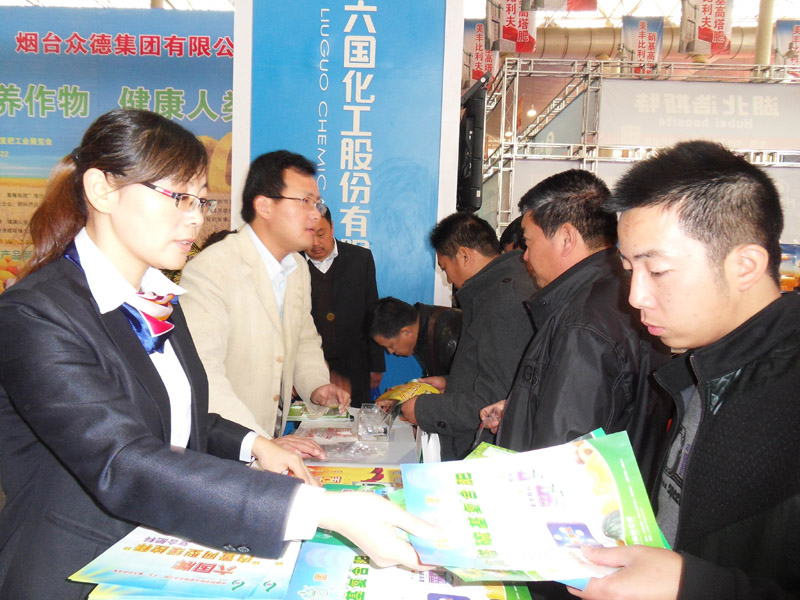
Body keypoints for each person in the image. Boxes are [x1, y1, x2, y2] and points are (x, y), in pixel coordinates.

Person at [0, 110, 434, 598]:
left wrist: (253, 445)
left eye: (201, 200)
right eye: (178, 197)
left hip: (158, 553)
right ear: (102, 190)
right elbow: (122, 459)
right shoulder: (36, 315)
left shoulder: (159, 300)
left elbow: (179, 420)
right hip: (78, 569)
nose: (195, 217)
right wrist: (318, 510)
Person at [570, 141, 800, 600]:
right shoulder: (702, 368)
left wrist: (688, 585)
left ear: (745, 266)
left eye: (657, 271)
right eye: (629, 268)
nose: (635, 297)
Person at [481, 169, 671, 490]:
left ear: (566, 238)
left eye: (528, 242)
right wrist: (521, 412)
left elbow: (563, 459)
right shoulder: (619, 295)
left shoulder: (581, 321)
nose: (525, 257)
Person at [180, 151, 350, 446]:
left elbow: (304, 340)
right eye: (305, 202)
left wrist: (317, 386)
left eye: (317, 204)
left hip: (270, 438)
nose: (316, 214)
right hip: (225, 444)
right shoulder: (211, 269)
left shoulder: (297, 267)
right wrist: (256, 442)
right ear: (264, 206)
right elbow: (204, 374)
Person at [401, 213, 536, 461]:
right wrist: (450, 382)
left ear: (464, 255)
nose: (448, 279)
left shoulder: (505, 301)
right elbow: (495, 370)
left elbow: (495, 401)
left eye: (445, 268)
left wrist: (424, 410)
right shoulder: (493, 292)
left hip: (488, 453)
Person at [304, 208, 385, 407]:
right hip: (310, 368)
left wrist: (376, 365)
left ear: (332, 227)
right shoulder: (291, 263)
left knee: (354, 420)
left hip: (355, 367)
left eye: (321, 234)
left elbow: (372, 313)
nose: (315, 243)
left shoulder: (360, 259)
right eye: (309, 235)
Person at [367, 296, 462, 377]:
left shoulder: (450, 337)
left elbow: (463, 386)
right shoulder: (420, 329)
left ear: (406, 332)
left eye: (391, 346)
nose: (390, 352)